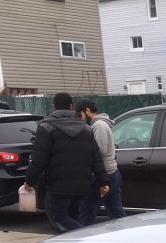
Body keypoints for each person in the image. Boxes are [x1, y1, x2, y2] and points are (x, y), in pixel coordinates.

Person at [24, 92, 108, 231]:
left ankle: (86, 238)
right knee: (73, 215)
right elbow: (95, 157)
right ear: (71, 106)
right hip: (82, 183)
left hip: (58, 185)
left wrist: (29, 180)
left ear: (53, 106)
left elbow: (39, 158)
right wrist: (103, 180)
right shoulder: (86, 129)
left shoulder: (46, 128)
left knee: (59, 216)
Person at [75, 98, 125, 225]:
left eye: (80, 115)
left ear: (86, 110)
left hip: (104, 175)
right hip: (112, 173)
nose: (80, 119)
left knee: (86, 211)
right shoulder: (102, 124)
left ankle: (83, 240)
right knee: (116, 214)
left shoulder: (98, 126)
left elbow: (99, 151)